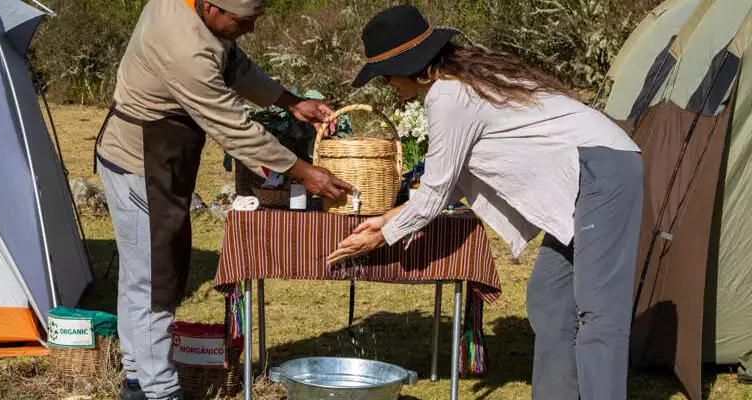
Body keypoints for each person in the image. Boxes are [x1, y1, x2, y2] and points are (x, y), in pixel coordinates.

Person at [328, 5, 644, 400]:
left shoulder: (450, 95)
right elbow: (455, 177)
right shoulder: (457, 85)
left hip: (603, 169)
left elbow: (436, 193)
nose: (387, 85)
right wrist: (391, 217)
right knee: (549, 298)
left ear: (408, 65)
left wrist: (382, 236)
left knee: (599, 309)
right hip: (583, 174)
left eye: (385, 75)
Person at [94, 0, 353, 399]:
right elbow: (234, 129)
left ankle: (136, 381)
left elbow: (234, 64)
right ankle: (158, 390)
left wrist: (290, 101)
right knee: (153, 280)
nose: (248, 29)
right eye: (243, 21)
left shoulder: (196, 15)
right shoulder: (183, 46)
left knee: (143, 275)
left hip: (159, 161)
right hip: (138, 164)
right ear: (214, 7)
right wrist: (303, 171)